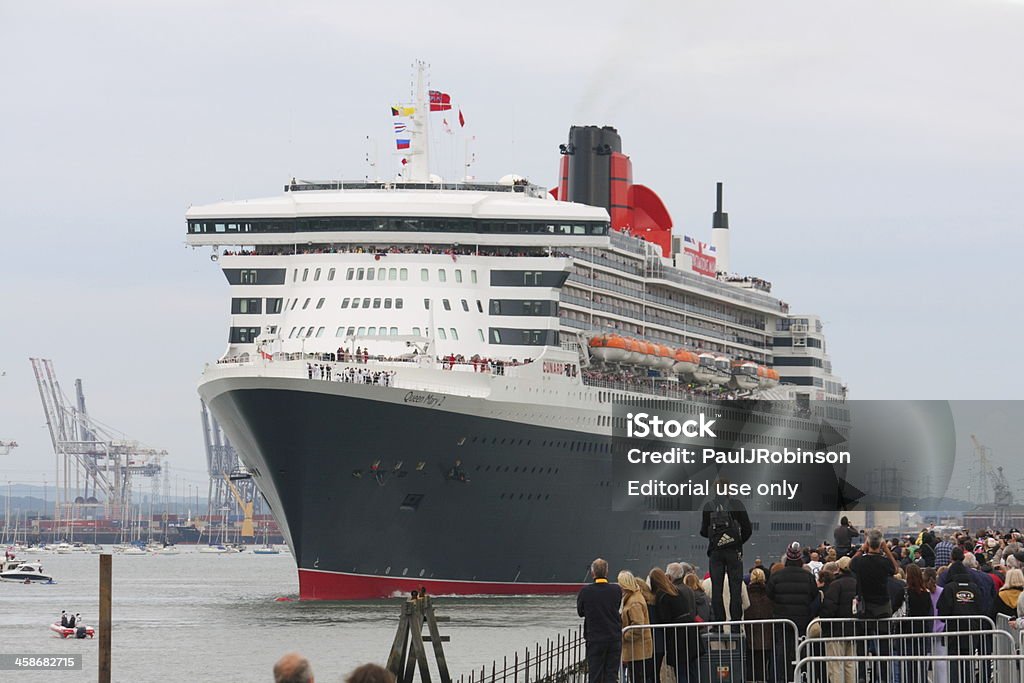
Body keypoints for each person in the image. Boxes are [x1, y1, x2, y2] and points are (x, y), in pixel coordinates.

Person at [699, 478, 752, 623]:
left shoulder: (708, 506)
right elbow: (748, 528)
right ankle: (735, 624)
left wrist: (716, 539)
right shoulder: (737, 504)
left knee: (717, 589)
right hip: (733, 552)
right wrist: (737, 542)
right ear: (729, 489)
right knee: (735, 589)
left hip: (716, 553)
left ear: (715, 489)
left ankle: (719, 623)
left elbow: (703, 531)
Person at [767, 541, 817, 682]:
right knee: (801, 651)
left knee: (781, 652)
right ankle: (802, 677)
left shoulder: (776, 577)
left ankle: (779, 678)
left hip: (782, 620)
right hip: (802, 621)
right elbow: (814, 595)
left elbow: (770, 594)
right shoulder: (808, 577)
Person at [937, 553, 986, 683]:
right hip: (972, 629)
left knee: (954, 662)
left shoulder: (949, 588)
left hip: (954, 630)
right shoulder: (974, 587)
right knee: (968, 660)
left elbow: (942, 609)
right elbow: (981, 607)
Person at [577, 558, 622, 683]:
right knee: (611, 674)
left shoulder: (585, 591)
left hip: (595, 638)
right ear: (607, 572)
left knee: (595, 674)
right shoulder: (616, 590)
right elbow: (616, 606)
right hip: (613, 638)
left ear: (593, 573)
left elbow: (580, 612)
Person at [649, 567, 696, 683]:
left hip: (676, 637)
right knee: (689, 671)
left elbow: (664, 618)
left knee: (681, 671)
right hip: (688, 633)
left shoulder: (662, 595)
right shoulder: (675, 590)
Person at [820, 555, 858, 683]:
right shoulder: (857, 583)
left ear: (839, 568)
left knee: (835, 665)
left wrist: (824, 626)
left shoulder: (835, 585)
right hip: (853, 630)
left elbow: (829, 608)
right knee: (850, 664)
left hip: (835, 630)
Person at [618, 570, 655, 683]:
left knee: (637, 677)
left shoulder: (634, 602)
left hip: (637, 648)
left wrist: (624, 635)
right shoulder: (633, 598)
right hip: (636, 648)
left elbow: (638, 626)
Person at [743, 568, 777, 683]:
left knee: (750, 664)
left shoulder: (746, 593)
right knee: (764, 664)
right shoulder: (770, 594)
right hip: (767, 633)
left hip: (749, 633)